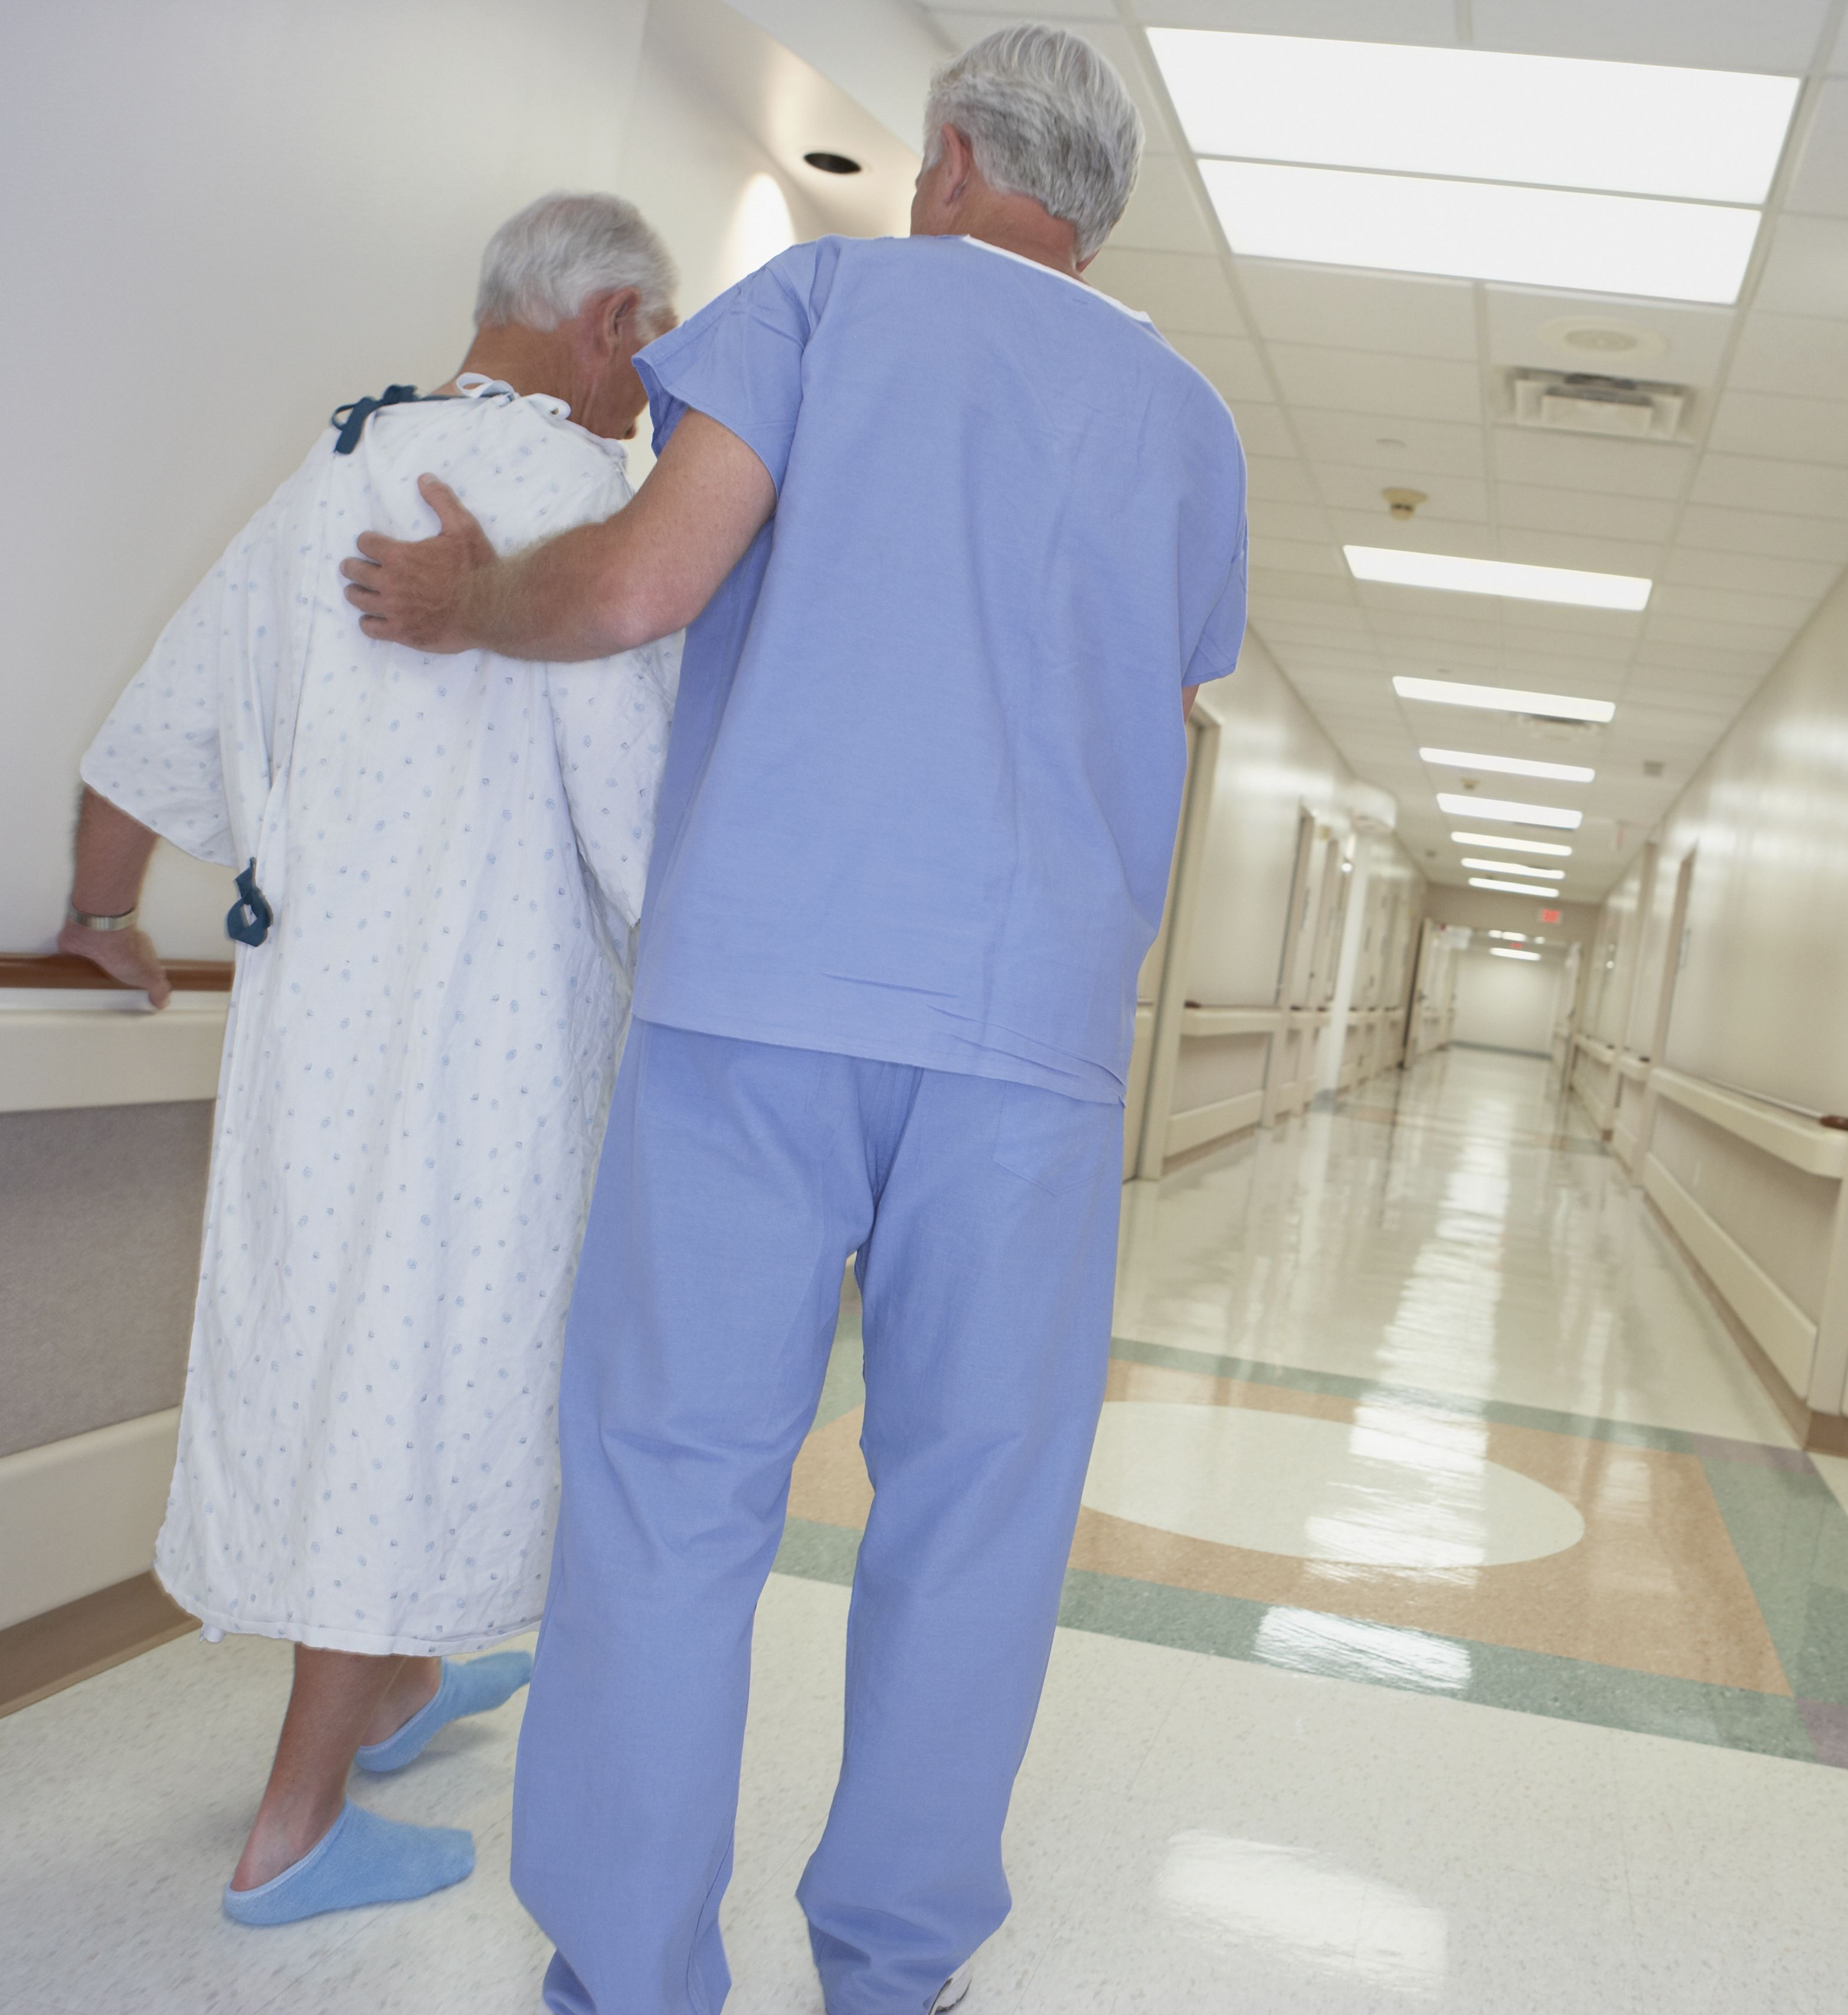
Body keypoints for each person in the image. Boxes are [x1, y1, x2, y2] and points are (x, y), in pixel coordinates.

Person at [339, 25, 1247, 2014]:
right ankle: (893, 1975)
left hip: (765, 995)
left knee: (674, 1483)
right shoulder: (1187, 420)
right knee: (977, 1514)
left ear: (943, 155)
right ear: (1095, 211)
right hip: (1030, 1041)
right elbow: (1163, 704)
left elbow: (641, 590)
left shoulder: (828, 298)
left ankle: (633, 1978)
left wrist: (477, 594)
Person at [57, 191, 682, 1926]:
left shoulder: (330, 468)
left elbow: (153, 735)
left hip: (308, 1024)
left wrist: (101, 911)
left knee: (336, 1349)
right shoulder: (579, 500)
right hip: (484, 1043)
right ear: (614, 320)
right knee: (422, 1385)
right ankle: (296, 1826)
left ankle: (398, 1690)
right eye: (656, 353)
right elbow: (641, 827)